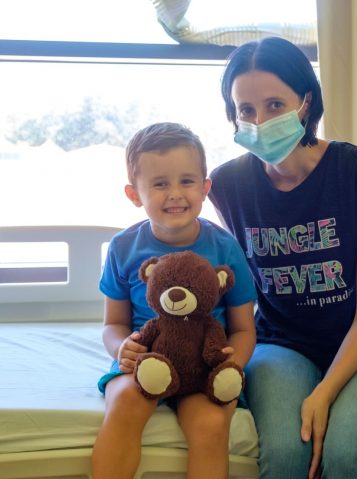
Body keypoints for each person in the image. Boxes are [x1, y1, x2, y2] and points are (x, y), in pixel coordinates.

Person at [208, 37, 357, 479]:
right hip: (280, 343)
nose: (260, 122)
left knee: (347, 455)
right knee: (286, 455)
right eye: (246, 110)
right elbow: (231, 285)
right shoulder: (226, 187)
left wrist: (325, 392)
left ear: (305, 102)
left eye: (275, 105)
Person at [91, 122, 257, 479]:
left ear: (205, 188)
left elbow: (244, 328)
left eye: (186, 181)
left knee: (211, 425)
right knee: (124, 403)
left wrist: (232, 364)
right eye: (160, 184)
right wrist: (122, 349)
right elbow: (113, 323)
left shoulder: (225, 248)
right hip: (145, 360)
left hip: (204, 364)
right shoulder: (123, 248)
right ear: (134, 194)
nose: (175, 194)